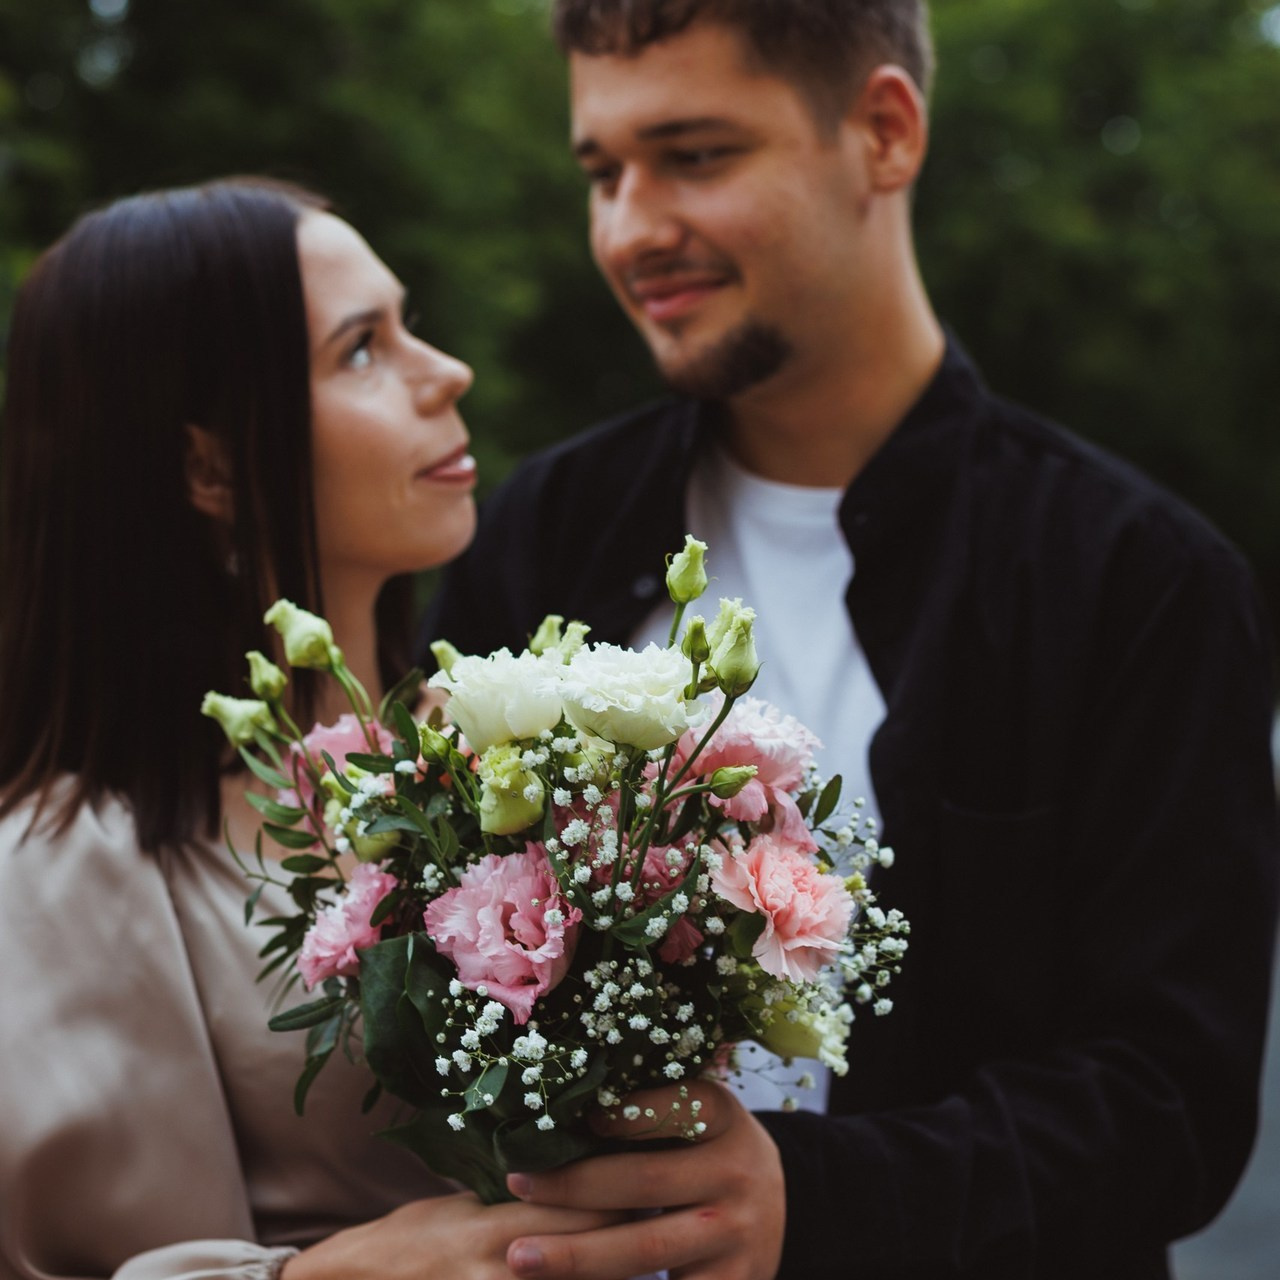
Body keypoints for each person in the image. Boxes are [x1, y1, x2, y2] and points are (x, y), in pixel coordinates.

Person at [419, 3, 1280, 1278]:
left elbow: (1170, 1102)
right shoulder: (538, 533)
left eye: (695, 155)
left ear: (883, 131)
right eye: (601, 171)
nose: (628, 227)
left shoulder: (1135, 578)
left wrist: (807, 1203)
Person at [0, 178, 623, 1280]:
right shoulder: (73, 867)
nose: (449, 373)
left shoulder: (523, 749)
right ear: (210, 467)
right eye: (361, 351)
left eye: (407, 325)